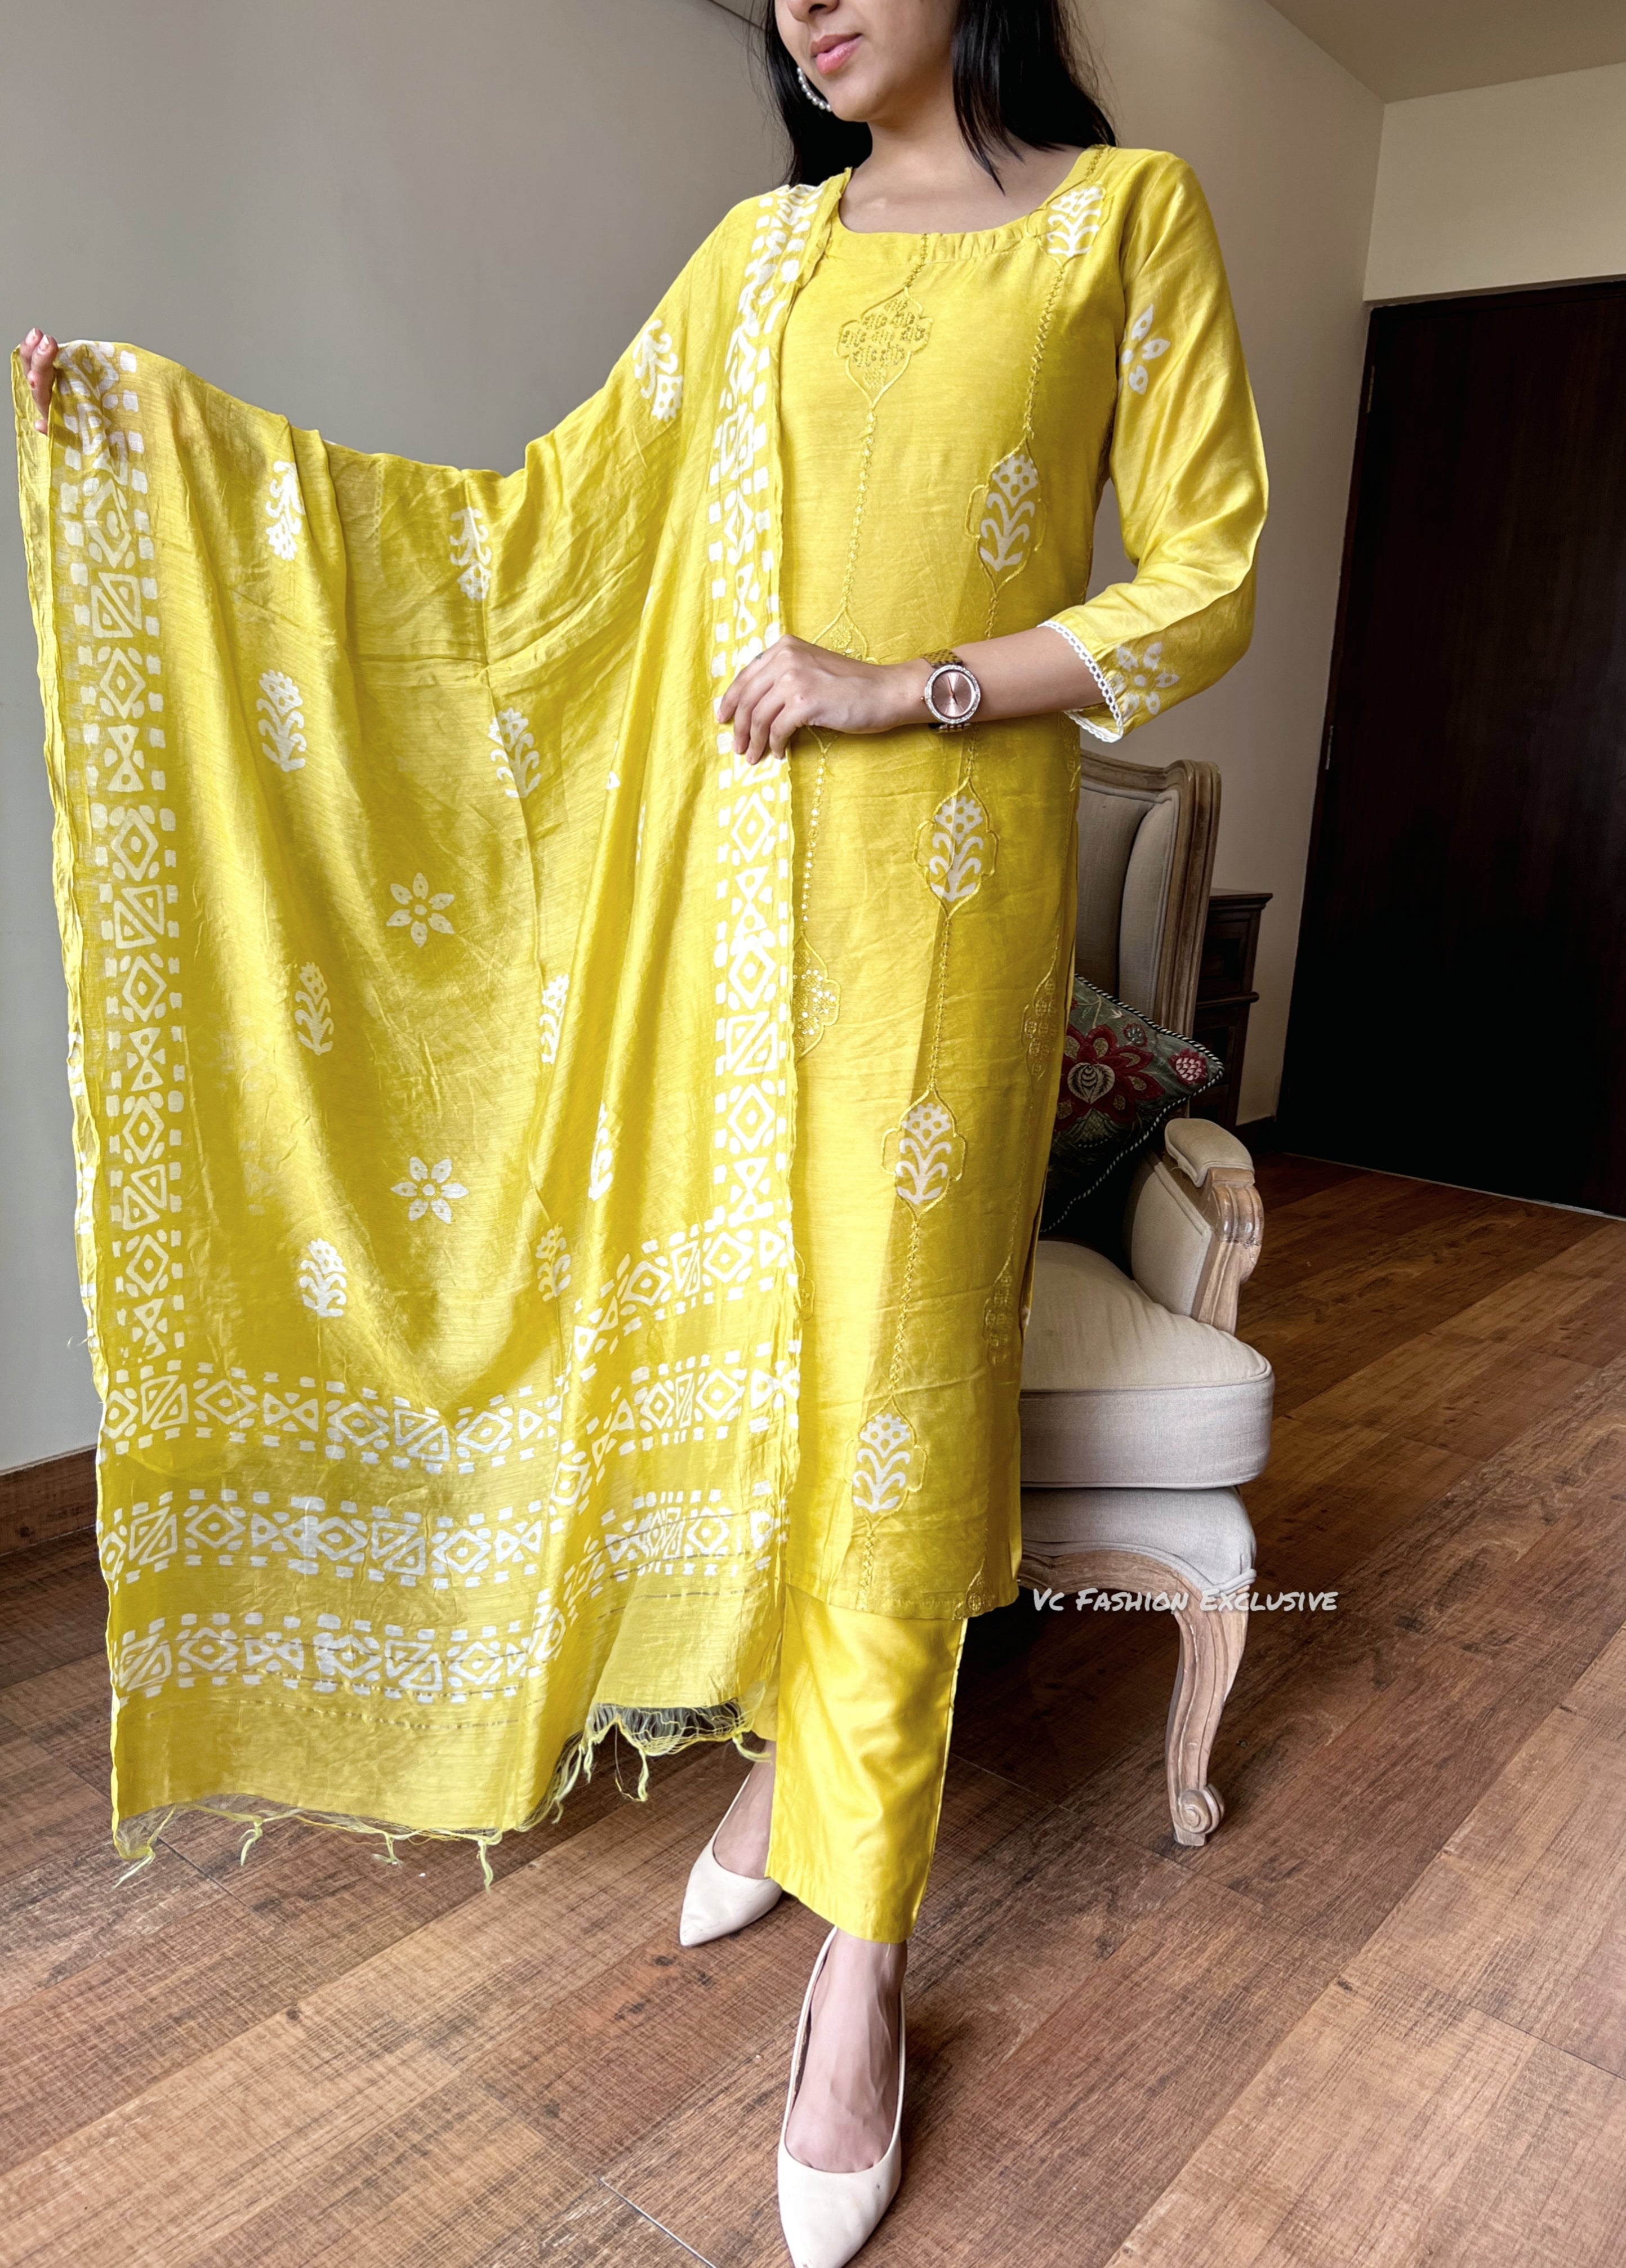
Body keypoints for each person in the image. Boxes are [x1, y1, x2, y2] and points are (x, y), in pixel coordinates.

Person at [17, 3, 1264, 2260]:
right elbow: (531, 544)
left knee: (894, 1395)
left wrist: (909, 685)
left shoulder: (1118, 221)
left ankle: (866, 1958)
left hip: (941, 914)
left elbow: (1203, 577)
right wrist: (179, 447)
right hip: (724, 919)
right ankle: (792, 1761)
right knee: (777, 1367)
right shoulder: (756, 259)